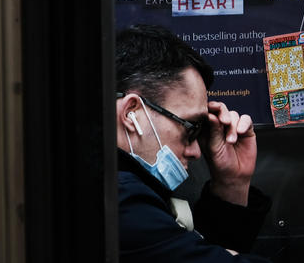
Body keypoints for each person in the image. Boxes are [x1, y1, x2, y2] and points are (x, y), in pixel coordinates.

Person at [115, 24, 271, 261]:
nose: (196, 151)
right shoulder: (121, 199)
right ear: (131, 113)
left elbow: (202, 253)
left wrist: (232, 183)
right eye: (189, 128)